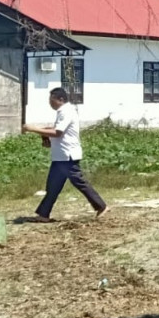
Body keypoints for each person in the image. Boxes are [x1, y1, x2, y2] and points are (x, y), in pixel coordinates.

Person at [22, 87, 108, 222]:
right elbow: (56, 130)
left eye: (52, 100)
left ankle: (101, 206)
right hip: (60, 156)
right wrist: (44, 135)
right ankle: (44, 214)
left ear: (61, 99)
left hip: (67, 155)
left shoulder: (66, 111)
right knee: (53, 185)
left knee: (79, 182)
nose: (50, 103)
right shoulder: (62, 112)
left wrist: (34, 129)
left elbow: (58, 132)